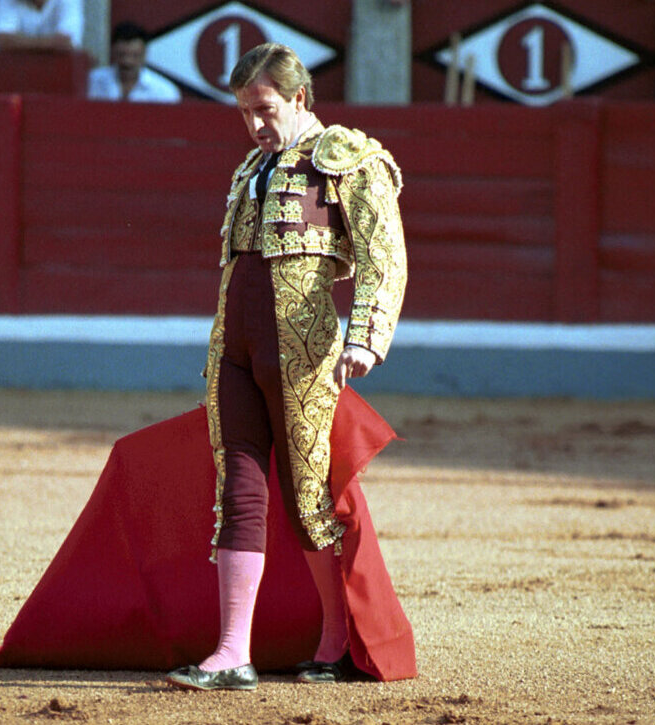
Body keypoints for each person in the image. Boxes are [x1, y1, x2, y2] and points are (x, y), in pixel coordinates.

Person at [165, 42, 409, 692]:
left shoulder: (346, 157)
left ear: (299, 98)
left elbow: (385, 251)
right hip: (234, 350)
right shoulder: (253, 165)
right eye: (244, 112)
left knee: (308, 499)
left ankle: (336, 642)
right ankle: (231, 651)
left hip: (302, 353)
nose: (254, 125)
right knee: (237, 491)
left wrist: (367, 334)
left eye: (264, 109)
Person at [87, 21, 180, 103]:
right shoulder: (91, 82)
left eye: (135, 56)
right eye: (121, 55)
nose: (127, 62)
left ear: (144, 54)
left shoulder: (163, 92)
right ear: (112, 52)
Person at [0, 0, 81, 53]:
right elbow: (4, 41)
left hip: (58, 73)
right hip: (17, 72)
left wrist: (19, 43)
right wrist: (51, 43)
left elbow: (67, 43)